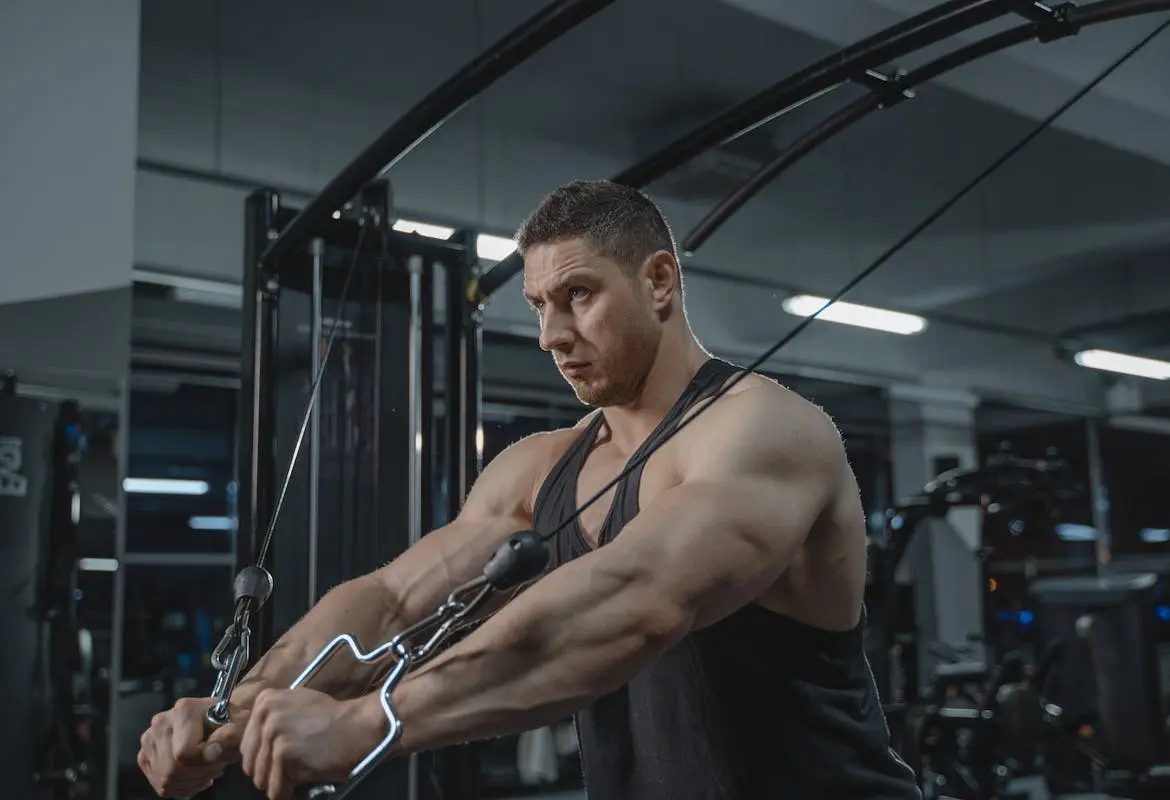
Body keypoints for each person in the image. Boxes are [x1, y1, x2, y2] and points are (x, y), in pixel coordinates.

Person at [137, 180, 921, 800]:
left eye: (578, 294)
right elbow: (390, 603)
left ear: (659, 281)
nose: (551, 334)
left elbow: (634, 600)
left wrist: (366, 724)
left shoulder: (763, 430)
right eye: (540, 306)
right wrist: (230, 713)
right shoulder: (541, 468)